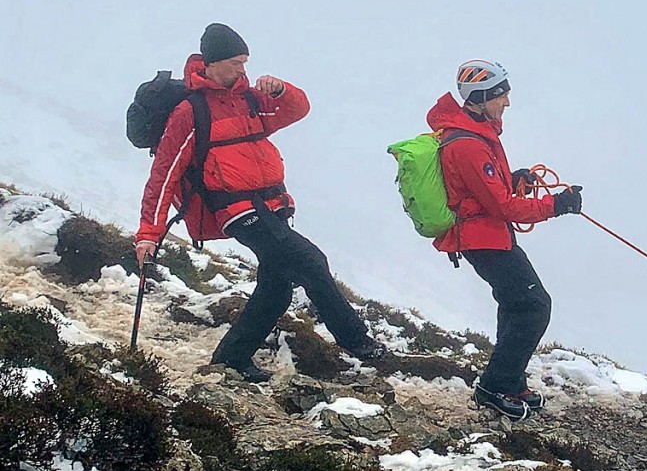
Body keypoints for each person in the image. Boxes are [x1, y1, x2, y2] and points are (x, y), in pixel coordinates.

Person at [134, 23, 383, 382]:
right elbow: (164, 174)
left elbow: (297, 109)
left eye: (245, 62)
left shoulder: (249, 98)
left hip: (273, 205)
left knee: (277, 287)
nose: (242, 70)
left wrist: (282, 89)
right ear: (213, 62)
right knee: (312, 261)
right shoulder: (191, 111)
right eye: (235, 63)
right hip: (236, 210)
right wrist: (148, 232)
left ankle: (231, 358)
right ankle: (358, 342)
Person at [425, 59, 583, 420]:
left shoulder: (474, 131)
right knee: (534, 306)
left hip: (487, 235)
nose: (507, 102)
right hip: (483, 238)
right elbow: (504, 206)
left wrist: (512, 177)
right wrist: (557, 205)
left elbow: (484, 189)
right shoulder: (468, 144)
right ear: (481, 98)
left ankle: (508, 381)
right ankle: (494, 385)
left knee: (516, 305)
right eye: (501, 95)